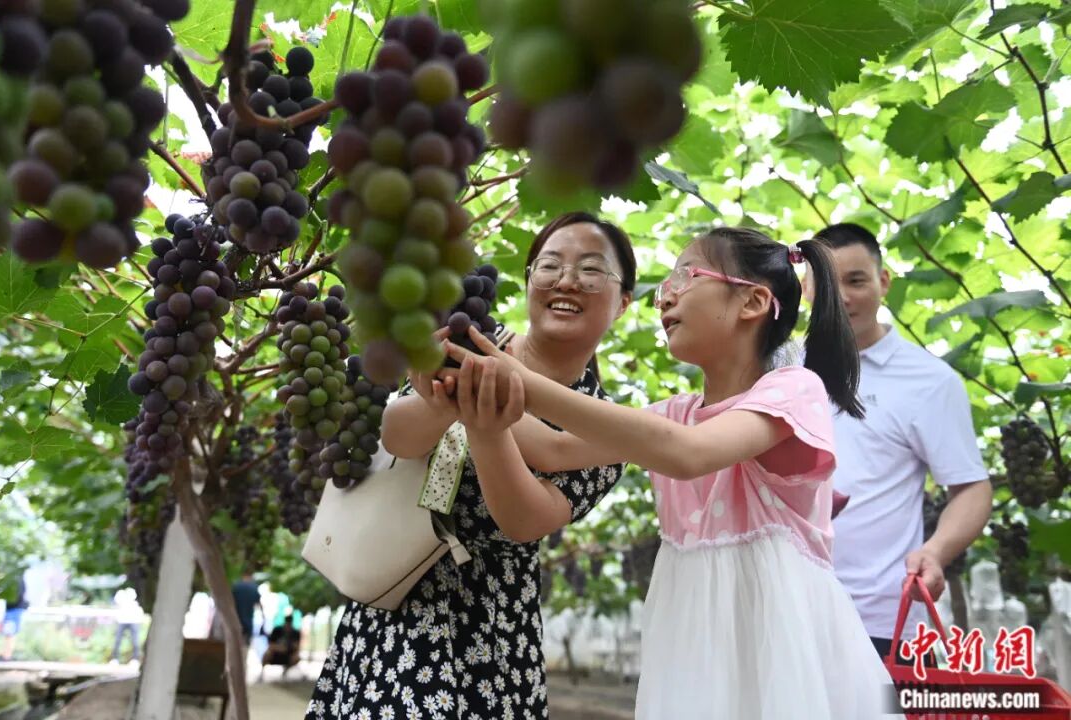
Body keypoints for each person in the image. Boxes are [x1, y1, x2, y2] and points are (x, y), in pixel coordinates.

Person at [447, 227, 898, 718]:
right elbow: (553, 449)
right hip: (692, 644)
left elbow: (688, 454)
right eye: (665, 285)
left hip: (783, 646)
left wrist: (520, 382)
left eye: (686, 276)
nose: (665, 297)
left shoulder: (794, 389)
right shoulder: (677, 413)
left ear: (752, 301)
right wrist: (464, 384)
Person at [305, 211, 635, 719]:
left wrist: (484, 419)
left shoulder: (604, 422)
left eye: (591, 270)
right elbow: (397, 438)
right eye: (550, 265)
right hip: (393, 602)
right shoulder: (470, 337)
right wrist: (443, 403)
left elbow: (523, 520)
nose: (567, 281)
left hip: (489, 634)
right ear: (529, 280)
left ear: (624, 302)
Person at [806, 222, 992, 661]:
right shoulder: (781, 370)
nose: (842, 298)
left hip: (887, 622)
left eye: (856, 281)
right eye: (828, 285)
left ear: (883, 281)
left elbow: (971, 487)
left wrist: (936, 551)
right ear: (806, 289)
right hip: (790, 613)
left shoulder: (928, 380)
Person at [110, 586, 145, 664]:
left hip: (134, 621)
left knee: (135, 641)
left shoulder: (132, 596)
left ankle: (135, 659)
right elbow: (117, 601)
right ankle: (115, 658)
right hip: (122, 620)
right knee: (117, 640)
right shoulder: (120, 595)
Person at [0, 573, 26, 661]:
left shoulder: (16, 580)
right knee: (8, 633)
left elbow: (16, 596)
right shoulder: (16, 579)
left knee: (10, 633)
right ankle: (5, 654)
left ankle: (6, 656)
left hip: (14, 609)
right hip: (12, 609)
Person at [231, 572, 263, 653]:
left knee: (236, 640)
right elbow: (258, 603)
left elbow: (231, 601)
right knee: (246, 642)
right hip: (248, 618)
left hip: (236, 618)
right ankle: (244, 654)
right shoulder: (254, 587)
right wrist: (263, 615)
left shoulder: (236, 586)